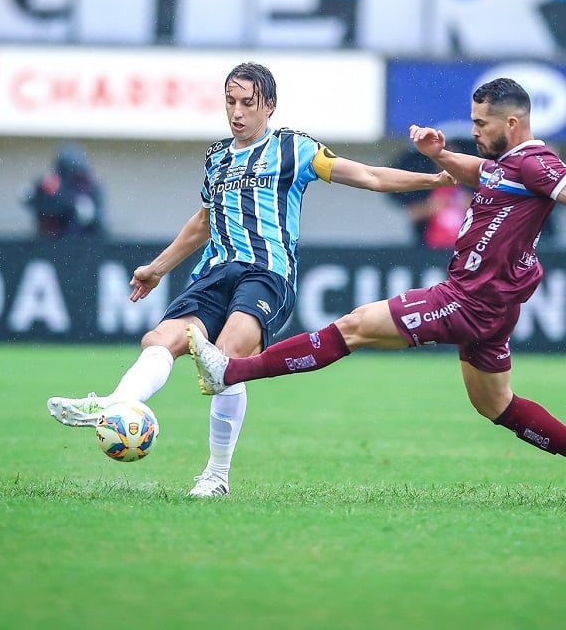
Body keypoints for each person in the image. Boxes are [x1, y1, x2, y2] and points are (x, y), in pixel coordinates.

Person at [186, 77, 566, 507]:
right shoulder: (508, 165)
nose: (473, 130)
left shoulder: (539, 164)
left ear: (512, 123)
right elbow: (474, 170)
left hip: (469, 299)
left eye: (481, 123)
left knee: (353, 327)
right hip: (490, 308)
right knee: (496, 405)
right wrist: (438, 154)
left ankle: (231, 369)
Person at [47, 63, 454, 497]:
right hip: (214, 271)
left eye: (247, 103)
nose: (236, 113)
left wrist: (433, 179)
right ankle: (118, 404)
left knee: (227, 358)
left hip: (267, 273)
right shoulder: (217, 157)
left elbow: (369, 176)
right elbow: (203, 222)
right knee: (160, 339)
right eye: (230, 102)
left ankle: (216, 476)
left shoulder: (295, 149)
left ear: (270, 106)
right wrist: (157, 267)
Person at [22, 142, 107, 239]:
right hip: (48, 242)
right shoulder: (50, 185)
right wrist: (42, 191)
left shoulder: (90, 187)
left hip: (83, 242)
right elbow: (27, 198)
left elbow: (92, 219)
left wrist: (70, 203)